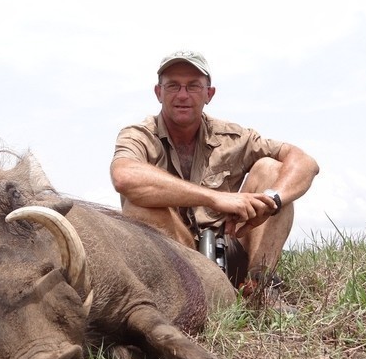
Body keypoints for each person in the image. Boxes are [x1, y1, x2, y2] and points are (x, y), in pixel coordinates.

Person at [110, 50, 319, 298]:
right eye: (173, 86)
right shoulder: (138, 135)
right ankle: (180, 296)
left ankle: (260, 288)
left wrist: (271, 200)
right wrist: (213, 198)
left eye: (193, 86)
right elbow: (124, 176)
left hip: (231, 247)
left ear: (209, 94)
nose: (183, 95)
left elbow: (305, 162)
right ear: (159, 93)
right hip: (178, 258)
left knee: (271, 169)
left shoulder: (234, 136)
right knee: (140, 202)